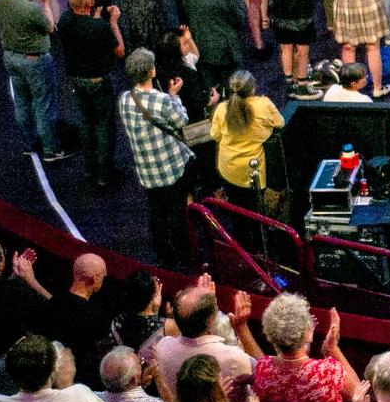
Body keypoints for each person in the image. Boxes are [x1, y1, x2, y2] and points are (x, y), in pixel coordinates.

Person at [118, 49, 195, 266]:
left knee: (156, 212)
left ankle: (163, 256)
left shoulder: (125, 99)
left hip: (146, 171)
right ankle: (185, 257)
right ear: (151, 71)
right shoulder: (161, 100)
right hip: (171, 169)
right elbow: (181, 121)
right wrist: (174, 96)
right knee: (176, 214)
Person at [0, 0, 67, 163]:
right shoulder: (29, 8)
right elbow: (49, 26)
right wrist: (45, 1)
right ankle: (51, 149)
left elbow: (18, 15)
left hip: (11, 58)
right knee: (44, 104)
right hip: (35, 60)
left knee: (22, 102)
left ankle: (28, 144)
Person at [209, 70, 284, 213]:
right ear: (253, 88)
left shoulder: (221, 108)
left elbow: (215, 135)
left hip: (229, 169)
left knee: (236, 213)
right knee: (256, 214)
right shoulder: (264, 105)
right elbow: (280, 123)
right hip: (253, 172)